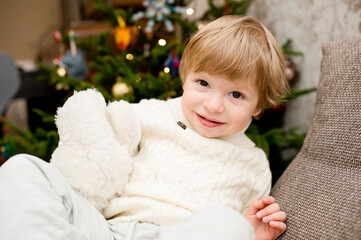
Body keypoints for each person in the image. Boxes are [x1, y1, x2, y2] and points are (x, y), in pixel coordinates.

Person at [0, 15, 288, 240]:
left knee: (228, 224)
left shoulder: (253, 164)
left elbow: (236, 228)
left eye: (236, 95)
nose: (213, 105)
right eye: (203, 83)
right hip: (103, 229)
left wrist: (250, 230)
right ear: (185, 78)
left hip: (176, 234)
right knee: (23, 168)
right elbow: (103, 145)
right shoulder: (151, 112)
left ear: (259, 105)